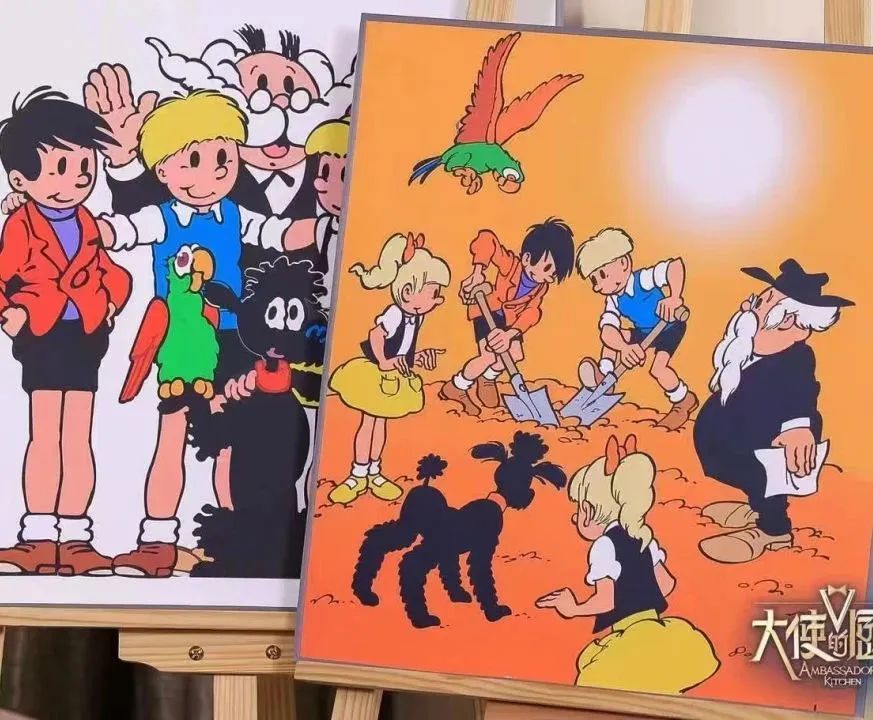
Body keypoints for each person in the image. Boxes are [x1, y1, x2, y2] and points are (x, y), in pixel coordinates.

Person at [97, 90, 314, 577]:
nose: (210, 175)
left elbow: (280, 234)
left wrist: (324, 229)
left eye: (223, 160)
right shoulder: (161, 216)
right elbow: (119, 232)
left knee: (235, 442)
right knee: (172, 434)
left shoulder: (234, 214)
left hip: (234, 341)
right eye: (191, 161)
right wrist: (92, 227)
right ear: (163, 170)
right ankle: (157, 539)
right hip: (181, 343)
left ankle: (234, 537)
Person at [0, 88, 132, 574]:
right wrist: (10, 315)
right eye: (59, 168)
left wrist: (111, 302)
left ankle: (75, 537)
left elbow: (113, 272)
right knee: (44, 433)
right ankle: (38, 535)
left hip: (85, 337)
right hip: (42, 335)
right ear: (20, 179)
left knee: (78, 435)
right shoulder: (21, 223)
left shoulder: (88, 221)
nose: (75, 180)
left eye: (84, 168)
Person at [694, 259, 853, 564]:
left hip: (771, 441)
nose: (747, 306)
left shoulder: (795, 359)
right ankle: (756, 505)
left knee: (766, 477)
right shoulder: (745, 348)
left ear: (794, 326)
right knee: (749, 475)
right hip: (735, 438)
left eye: (761, 304)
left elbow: (802, 393)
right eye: (758, 299)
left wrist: (797, 428)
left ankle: (773, 529)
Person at [537, 434, 719, 694]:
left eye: (578, 509)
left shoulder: (604, 546)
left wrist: (572, 608)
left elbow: (606, 601)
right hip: (659, 631)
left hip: (630, 637)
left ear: (589, 511)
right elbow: (666, 584)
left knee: (606, 684)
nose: (575, 518)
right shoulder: (642, 536)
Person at [327, 233, 450, 506]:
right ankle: (357, 475)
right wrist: (383, 360)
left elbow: (404, 349)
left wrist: (419, 357)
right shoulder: (395, 313)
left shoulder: (417, 317)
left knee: (380, 423)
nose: (437, 300)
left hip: (394, 376)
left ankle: (374, 472)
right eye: (433, 293)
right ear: (408, 292)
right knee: (368, 422)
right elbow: (376, 334)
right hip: (375, 373)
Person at [439, 219, 575, 416]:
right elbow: (487, 239)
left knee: (516, 354)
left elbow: (532, 312)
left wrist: (510, 334)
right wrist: (477, 273)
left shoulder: (541, 287)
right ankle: (457, 386)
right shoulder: (511, 265)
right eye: (547, 269)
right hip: (488, 312)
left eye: (553, 274)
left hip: (509, 323)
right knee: (488, 356)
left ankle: (487, 378)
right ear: (527, 258)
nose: (548, 277)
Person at [574, 227, 695, 430]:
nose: (597, 286)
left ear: (623, 263)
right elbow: (607, 329)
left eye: (602, 275)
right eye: (594, 280)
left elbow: (674, 266)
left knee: (658, 369)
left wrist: (674, 298)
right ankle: (606, 378)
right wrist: (624, 348)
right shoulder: (613, 298)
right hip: (645, 331)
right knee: (614, 338)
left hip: (669, 327)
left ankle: (683, 400)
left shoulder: (643, 280)